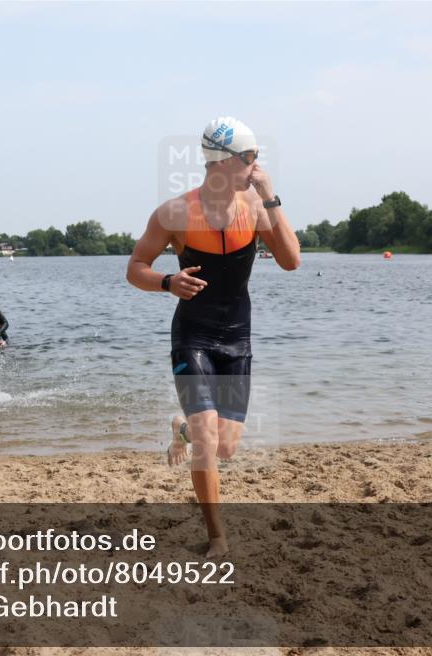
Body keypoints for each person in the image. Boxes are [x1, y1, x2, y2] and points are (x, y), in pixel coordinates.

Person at [126, 116, 300, 558]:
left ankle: (181, 428)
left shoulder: (258, 209)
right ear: (225, 160)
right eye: (252, 158)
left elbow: (291, 260)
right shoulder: (175, 213)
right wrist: (167, 282)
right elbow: (135, 268)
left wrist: (271, 198)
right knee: (207, 443)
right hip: (193, 335)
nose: (257, 166)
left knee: (224, 448)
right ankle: (217, 537)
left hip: (237, 337)